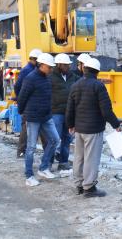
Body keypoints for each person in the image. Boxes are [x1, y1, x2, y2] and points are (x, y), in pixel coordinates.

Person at [66, 57, 122, 198]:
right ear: (97, 72)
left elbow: (70, 108)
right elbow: (106, 110)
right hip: (93, 129)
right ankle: (89, 187)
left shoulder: (75, 85)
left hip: (79, 129)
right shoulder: (98, 86)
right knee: (91, 158)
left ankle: (78, 184)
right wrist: (116, 124)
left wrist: (70, 124)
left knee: (79, 157)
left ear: (84, 70)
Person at [17, 53, 61, 187]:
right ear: (41, 65)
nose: (51, 69)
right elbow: (22, 97)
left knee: (55, 140)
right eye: (49, 67)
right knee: (31, 147)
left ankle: (43, 168)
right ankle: (29, 175)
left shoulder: (46, 78)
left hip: (46, 116)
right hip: (33, 117)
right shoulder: (30, 79)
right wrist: (22, 113)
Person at [50, 53, 78, 174]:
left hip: (69, 112)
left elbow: (83, 82)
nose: (68, 67)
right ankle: (49, 163)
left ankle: (63, 162)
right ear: (59, 65)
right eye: (66, 65)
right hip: (56, 112)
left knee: (67, 138)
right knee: (54, 138)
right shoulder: (51, 77)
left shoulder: (72, 76)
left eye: (68, 65)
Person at [14, 48, 43, 157]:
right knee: (26, 128)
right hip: (28, 104)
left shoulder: (30, 69)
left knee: (27, 128)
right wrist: (21, 99)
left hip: (31, 103)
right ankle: (21, 151)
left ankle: (23, 150)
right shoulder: (28, 70)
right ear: (35, 60)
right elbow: (17, 86)